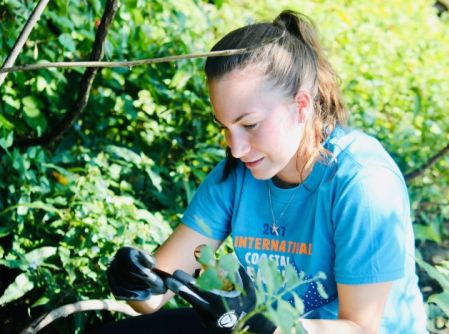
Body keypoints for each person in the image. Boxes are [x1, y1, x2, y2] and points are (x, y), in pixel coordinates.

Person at [98, 9, 428, 334]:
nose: (236, 148)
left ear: (301, 106)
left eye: (250, 125)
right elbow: (156, 294)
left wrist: (264, 327)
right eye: (225, 127)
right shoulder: (239, 172)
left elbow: (361, 329)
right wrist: (137, 283)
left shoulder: (365, 184)